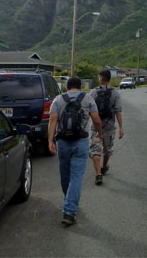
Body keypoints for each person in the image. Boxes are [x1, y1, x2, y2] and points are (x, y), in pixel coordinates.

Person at [48, 76, 103, 226]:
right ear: (80, 87)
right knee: (77, 176)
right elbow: (97, 120)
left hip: (63, 142)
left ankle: (68, 201)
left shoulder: (58, 99)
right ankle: (70, 211)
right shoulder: (88, 99)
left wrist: (50, 140)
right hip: (81, 142)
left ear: (67, 87)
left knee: (65, 174)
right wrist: (100, 133)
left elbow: (52, 120)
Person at [89, 69, 124, 185]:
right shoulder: (115, 93)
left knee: (95, 150)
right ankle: (104, 167)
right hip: (109, 126)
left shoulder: (93, 93)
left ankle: (98, 174)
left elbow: (87, 109)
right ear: (109, 79)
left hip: (95, 126)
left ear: (100, 79)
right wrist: (121, 128)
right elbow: (118, 111)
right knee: (107, 150)